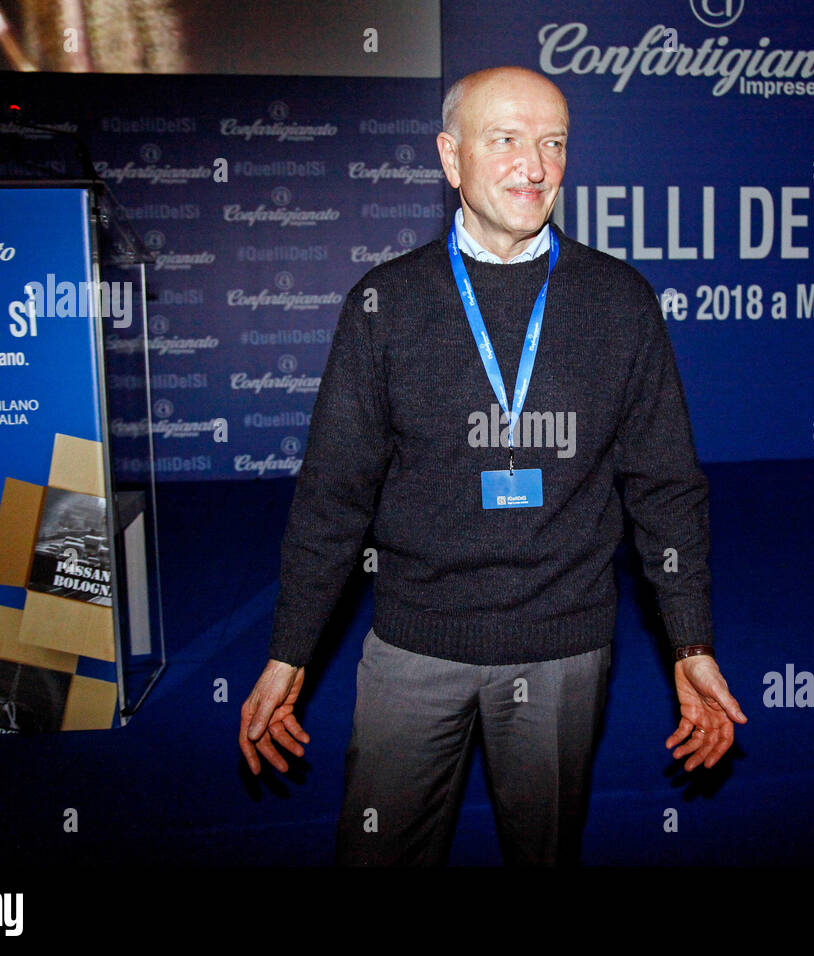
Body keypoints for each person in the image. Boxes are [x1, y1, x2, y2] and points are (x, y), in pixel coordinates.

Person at [238, 65, 746, 866]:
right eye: (505, 140)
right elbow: (334, 498)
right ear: (451, 159)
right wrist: (290, 649)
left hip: (562, 648)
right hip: (417, 644)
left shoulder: (621, 302)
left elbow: (667, 490)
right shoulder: (385, 305)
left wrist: (692, 643)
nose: (535, 166)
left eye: (553, 144)